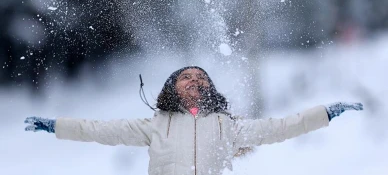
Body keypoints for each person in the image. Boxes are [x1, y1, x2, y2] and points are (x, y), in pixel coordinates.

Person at [24, 66, 363, 175]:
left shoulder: (226, 126)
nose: (195, 80)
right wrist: (55, 125)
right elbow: (99, 130)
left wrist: (325, 113)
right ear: (171, 87)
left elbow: (280, 127)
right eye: (186, 76)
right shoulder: (155, 125)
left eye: (201, 77)